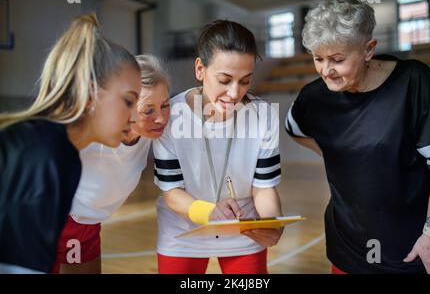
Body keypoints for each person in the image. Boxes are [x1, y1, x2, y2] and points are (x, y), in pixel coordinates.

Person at [285, 0, 430, 274]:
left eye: (337, 59)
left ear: (368, 49)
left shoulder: (414, 83)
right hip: (346, 246)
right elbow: (294, 129)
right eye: (318, 58)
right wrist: (339, 154)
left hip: (414, 250)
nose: (326, 71)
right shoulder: (313, 97)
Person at [0, 14, 141, 273]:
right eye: (129, 101)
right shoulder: (44, 153)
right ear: (89, 93)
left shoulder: (65, 156)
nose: (135, 117)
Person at [153, 20, 283, 274]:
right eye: (224, 80)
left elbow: (264, 188)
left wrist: (272, 223)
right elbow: (171, 192)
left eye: (245, 81)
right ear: (200, 69)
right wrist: (210, 212)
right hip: (183, 231)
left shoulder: (264, 115)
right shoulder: (171, 115)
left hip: (244, 230)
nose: (235, 93)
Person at [52, 55, 170, 274]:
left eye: (165, 105)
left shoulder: (152, 130)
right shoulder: (90, 131)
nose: (161, 118)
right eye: (149, 110)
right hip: (57, 220)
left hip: (88, 225)